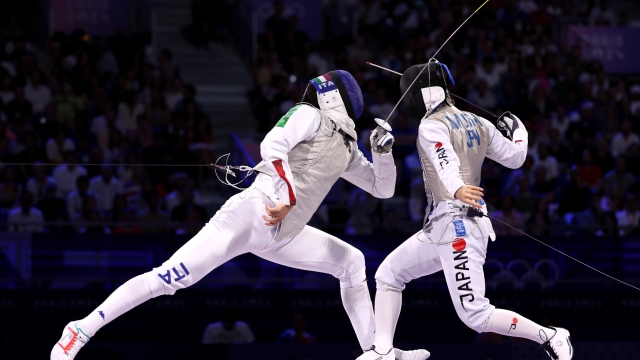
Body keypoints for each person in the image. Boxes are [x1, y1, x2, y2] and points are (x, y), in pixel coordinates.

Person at [51, 70, 425, 360]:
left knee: (352, 262)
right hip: (252, 213)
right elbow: (271, 145)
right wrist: (290, 196)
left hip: (284, 234)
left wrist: (382, 153)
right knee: (167, 278)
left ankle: (379, 352)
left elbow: (383, 188)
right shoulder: (308, 114)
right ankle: (79, 331)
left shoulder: (347, 148)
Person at [357, 61, 572, 360]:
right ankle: (383, 352)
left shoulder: (431, 125)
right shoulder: (479, 122)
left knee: (476, 316)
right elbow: (516, 156)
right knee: (389, 274)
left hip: (459, 226)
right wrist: (518, 130)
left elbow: (443, 158)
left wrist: (457, 188)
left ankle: (550, 336)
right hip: (441, 227)